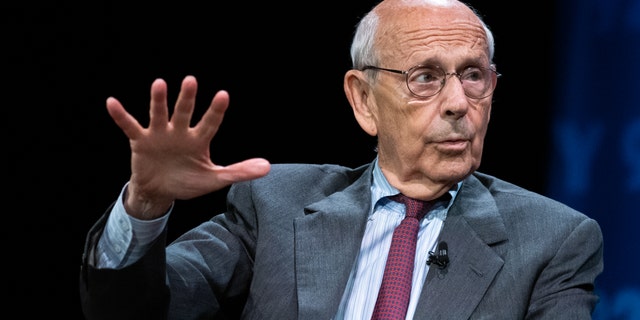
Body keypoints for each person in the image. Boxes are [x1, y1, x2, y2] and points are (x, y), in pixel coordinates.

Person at [79, 0, 604, 319]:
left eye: (474, 75)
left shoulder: (553, 240)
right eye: (425, 77)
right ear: (364, 100)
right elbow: (131, 310)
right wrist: (146, 205)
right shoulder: (276, 204)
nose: (457, 103)